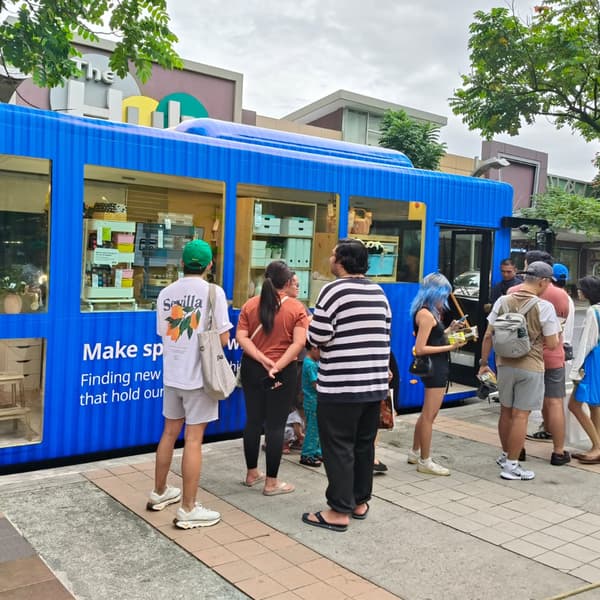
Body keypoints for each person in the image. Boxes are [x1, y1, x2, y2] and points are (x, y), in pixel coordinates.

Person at [302, 238, 391, 532]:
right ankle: (359, 501)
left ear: (341, 260)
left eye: (332, 254)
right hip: (374, 383)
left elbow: (319, 336)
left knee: (338, 446)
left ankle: (338, 511)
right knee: (363, 445)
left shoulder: (332, 291)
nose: (329, 258)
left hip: (341, 385)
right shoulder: (379, 293)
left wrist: (312, 328)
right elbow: (385, 334)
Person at [147, 239, 232, 529]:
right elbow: (222, 338)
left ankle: (159, 492)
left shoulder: (166, 292)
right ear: (209, 265)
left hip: (172, 375)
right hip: (200, 379)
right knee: (193, 440)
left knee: (169, 433)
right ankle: (188, 508)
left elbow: (164, 332)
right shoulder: (213, 292)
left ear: (182, 263)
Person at [479, 261, 560, 481]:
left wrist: (483, 362)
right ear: (543, 281)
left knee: (506, 411)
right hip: (530, 366)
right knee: (521, 415)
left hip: (504, 365)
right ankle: (512, 466)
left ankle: (505, 455)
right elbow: (552, 343)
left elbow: (488, 334)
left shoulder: (502, 300)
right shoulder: (544, 307)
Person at [237, 260, 309, 496]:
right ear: (287, 282)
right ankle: (271, 482)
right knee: (276, 425)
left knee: (253, 421)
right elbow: (299, 343)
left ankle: (251, 474)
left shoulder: (249, 305)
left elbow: (242, 337)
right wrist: (276, 365)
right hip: (282, 371)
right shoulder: (297, 309)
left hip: (252, 368)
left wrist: (260, 357)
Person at [407, 273, 467, 476]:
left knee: (426, 414)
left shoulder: (425, 311)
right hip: (435, 368)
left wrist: (448, 331)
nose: (446, 299)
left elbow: (433, 339)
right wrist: (449, 348)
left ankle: (415, 452)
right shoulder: (426, 315)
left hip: (435, 367)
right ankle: (425, 460)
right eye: (444, 295)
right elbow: (421, 348)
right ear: (436, 293)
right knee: (429, 416)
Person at [514, 252, 571, 466]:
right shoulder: (559, 295)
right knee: (555, 402)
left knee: (520, 408)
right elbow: (560, 329)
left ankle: (517, 450)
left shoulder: (513, 292)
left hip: (523, 356)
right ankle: (558, 452)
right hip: (552, 355)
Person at [568, 276, 600, 463]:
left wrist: (575, 370)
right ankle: (596, 445)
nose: (578, 291)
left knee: (575, 405)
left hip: (592, 361)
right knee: (595, 404)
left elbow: (586, 342)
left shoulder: (592, 311)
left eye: (581, 288)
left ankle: (596, 446)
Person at [300, 341, 322, 467]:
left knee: (318, 429)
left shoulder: (311, 363)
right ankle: (307, 454)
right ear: (314, 348)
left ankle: (316, 452)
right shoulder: (310, 365)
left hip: (315, 402)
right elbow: (316, 385)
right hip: (312, 402)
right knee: (312, 430)